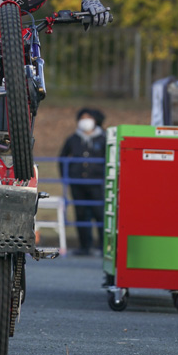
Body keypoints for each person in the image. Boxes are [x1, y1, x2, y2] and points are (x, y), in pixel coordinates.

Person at [59, 108, 107, 256]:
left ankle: (103, 247)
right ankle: (85, 246)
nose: (85, 121)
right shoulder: (73, 138)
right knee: (81, 214)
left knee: (100, 214)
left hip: (97, 183)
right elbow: (62, 157)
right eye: (82, 118)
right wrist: (66, 176)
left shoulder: (103, 138)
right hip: (77, 182)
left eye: (88, 118)